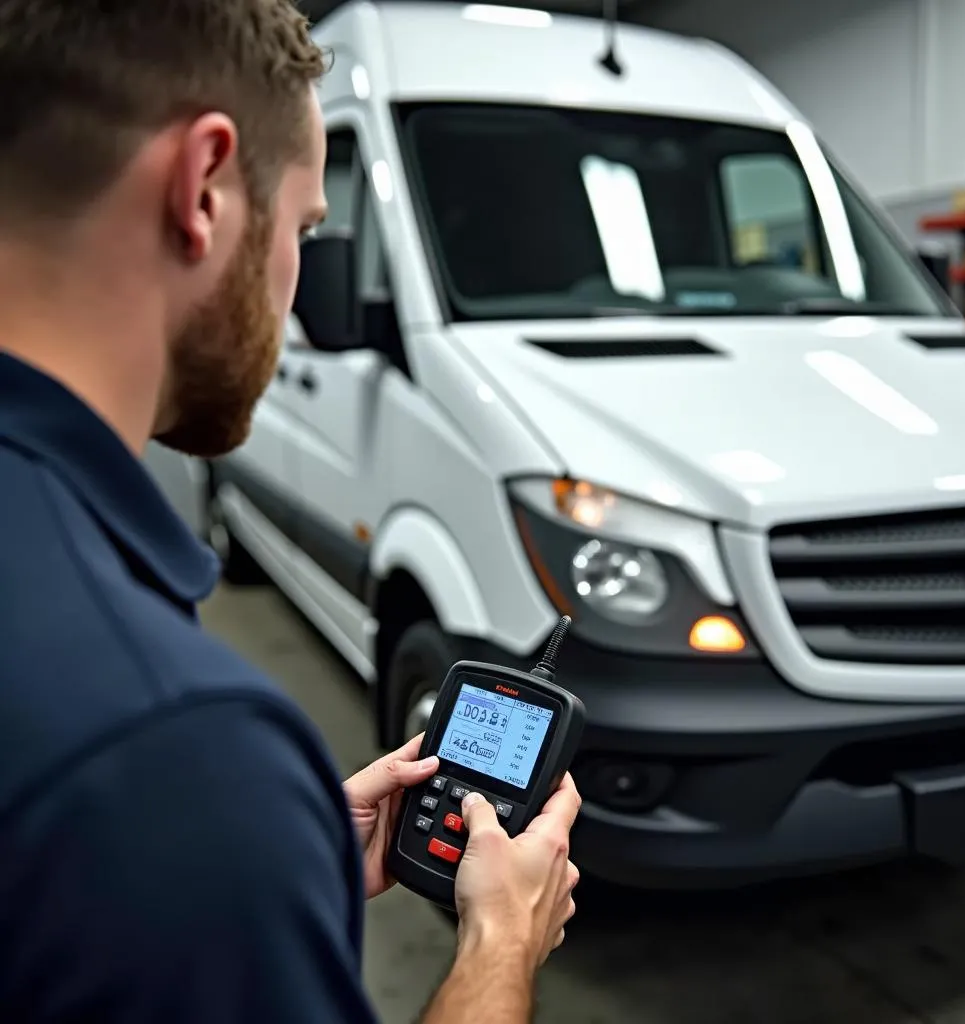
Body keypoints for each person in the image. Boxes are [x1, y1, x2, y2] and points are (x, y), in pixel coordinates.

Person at [0, 1, 581, 1021]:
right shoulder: (174, 749)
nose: (299, 293)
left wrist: (270, 860)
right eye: (308, 226)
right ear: (205, 189)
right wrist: (501, 941)